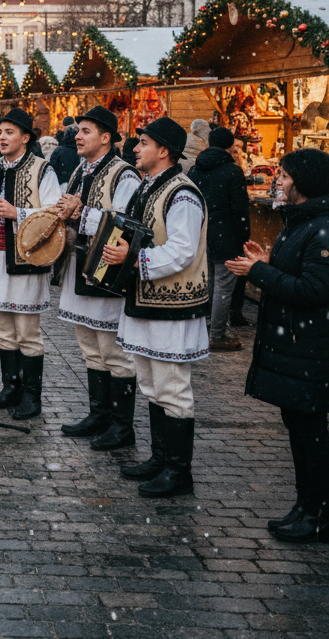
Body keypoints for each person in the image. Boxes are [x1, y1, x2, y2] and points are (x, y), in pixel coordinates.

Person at [227, 148, 329, 543]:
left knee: (310, 432)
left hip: (311, 348)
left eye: (284, 176)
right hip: (297, 347)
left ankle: (316, 512)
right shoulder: (303, 222)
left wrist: (261, 272)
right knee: (299, 427)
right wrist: (268, 261)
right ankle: (307, 507)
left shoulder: (320, 227)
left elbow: (315, 289)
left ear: (302, 182)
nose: (279, 182)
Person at [107, 117, 209, 498]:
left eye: (143, 143)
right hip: (145, 298)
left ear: (163, 150)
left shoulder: (182, 193)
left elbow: (181, 250)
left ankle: (178, 472)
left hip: (172, 302)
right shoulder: (150, 187)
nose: (136, 148)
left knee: (172, 386)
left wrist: (132, 260)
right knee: (150, 382)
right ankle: (160, 458)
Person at [54, 106, 141, 449]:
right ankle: (99, 414)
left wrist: (80, 212)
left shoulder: (124, 174)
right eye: (78, 130)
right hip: (80, 266)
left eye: (86, 131)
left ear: (106, 138)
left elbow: (123, 221)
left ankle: (122, 425)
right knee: (90, 348)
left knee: (113, 352)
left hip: (106, 270)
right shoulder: (79, 170)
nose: (77, 135)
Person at [0, 108, 62, 420]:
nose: (2, 137)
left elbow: (54, 214)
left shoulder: (42, 170)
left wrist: (17, 213)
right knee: (2, 329)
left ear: (26, 138)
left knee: (27, 331)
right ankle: (10, 388)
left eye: (9, 132)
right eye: (0, 132)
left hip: (26, 258)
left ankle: (31, 396)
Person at [188, 126, 250, 352]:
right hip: (226, 235)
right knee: (223, 285)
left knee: (209, 282)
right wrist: (244, 234)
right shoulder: (232, 171)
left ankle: (204, 328)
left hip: (202, 233)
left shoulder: (196, 169)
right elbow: (240, 208)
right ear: (230, 145)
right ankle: (216, 334)